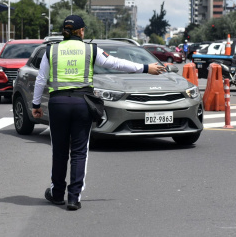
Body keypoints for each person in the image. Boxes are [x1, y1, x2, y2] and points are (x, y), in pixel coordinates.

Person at [31, 15, 164, 211]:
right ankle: (74, 197)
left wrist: (35, 105)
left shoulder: (52, 50)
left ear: (64, 31)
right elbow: (116, 63)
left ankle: (57, 193)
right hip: (82, 103)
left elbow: (41, 80)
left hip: (58, 104)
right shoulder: (90, 49)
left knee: (59, 151)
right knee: (79, 151)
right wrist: (145, 67)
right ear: (82, 31)